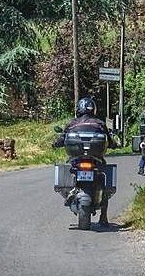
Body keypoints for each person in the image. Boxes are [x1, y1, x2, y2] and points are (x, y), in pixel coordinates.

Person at [54, 97, 120, 226]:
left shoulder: (72, 124)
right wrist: (114, 145)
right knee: (104, 179)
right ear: (93, 109)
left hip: (76, 159)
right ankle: (103, 216)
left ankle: (71, 192)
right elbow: (110, 141)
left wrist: (55, 144)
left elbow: (61, 140)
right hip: (96, 159)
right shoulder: (100, 123)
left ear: (79, 109)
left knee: (71, 167)